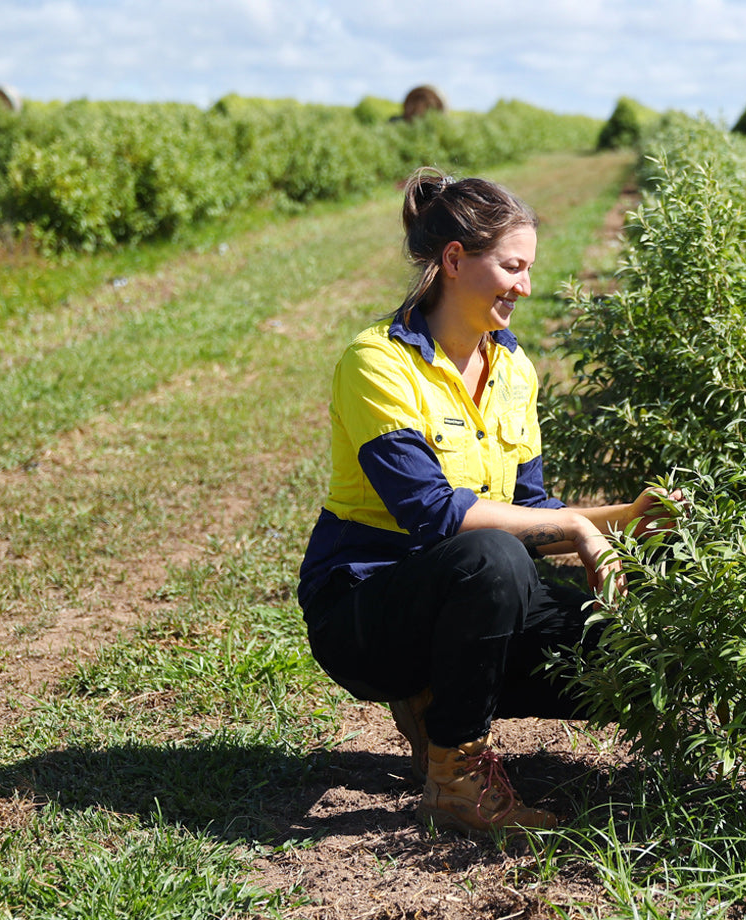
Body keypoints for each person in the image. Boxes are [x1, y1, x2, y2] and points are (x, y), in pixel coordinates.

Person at [296, 167, 673, 837]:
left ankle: (436, 696)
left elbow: (533, 508)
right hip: (365, 612)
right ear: (453, 260)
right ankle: (456, 777)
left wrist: (629, 522)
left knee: (627, 647)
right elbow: (435, 516)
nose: (525, 286)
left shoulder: (513, 369)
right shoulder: (378, 364)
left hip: (471, 588)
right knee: (492, 559)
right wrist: (582, 532)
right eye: (512, 266)